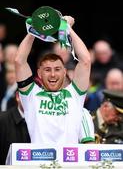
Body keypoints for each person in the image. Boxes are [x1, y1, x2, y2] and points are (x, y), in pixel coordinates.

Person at [15, 15, 95, 145]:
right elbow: (19, 61)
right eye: (47, 70)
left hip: (69, 163)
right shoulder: (31, 95)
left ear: (64, 72)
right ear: (39, 73)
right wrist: (33, 30)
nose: (52, 74)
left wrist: (67, 28)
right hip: (39, 163)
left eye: (57, 69)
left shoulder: (75, 94)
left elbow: (86, 60)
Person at [0, 91, 31, 165]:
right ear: (18, 96)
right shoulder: (2, 120)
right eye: (29, 95)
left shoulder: (45, 121)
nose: (33, 100)